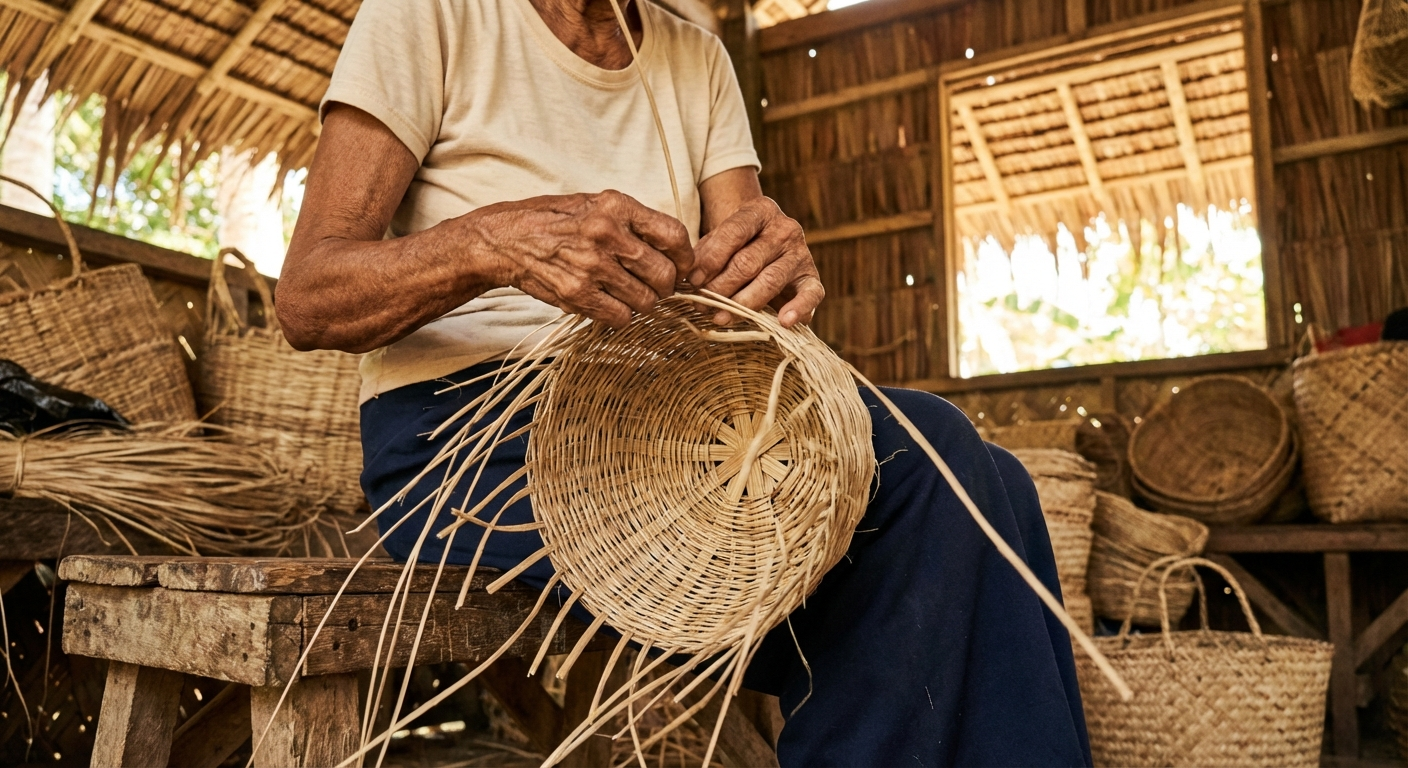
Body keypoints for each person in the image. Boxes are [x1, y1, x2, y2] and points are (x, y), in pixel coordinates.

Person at [277, 0, 1090, 763]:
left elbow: (745, 300)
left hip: (672, 424)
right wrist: (493, 244)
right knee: (923, 466)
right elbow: (309, 297)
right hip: (471, 445)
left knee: (994, 484)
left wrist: (770, 269)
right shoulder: (427, 14)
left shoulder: (697, 60)